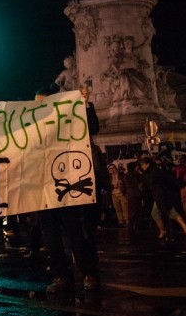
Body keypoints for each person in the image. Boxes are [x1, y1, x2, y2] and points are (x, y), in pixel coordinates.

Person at [35, 84, 101, 293]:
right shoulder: (31, 128)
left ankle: (89, 273)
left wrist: (84, 104)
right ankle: (61, 275)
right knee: (52, 236)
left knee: (76, 232)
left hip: (68, 186)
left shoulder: (69, 122)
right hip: (43, 188)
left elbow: (91, 127)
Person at [139, 155, 186, 240]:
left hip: (163, 195)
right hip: (157, 196)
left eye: (143, 164)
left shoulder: (156, 171)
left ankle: (182, 227)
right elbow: (146, 188)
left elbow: (170, 178)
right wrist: (144, 198)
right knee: (161, 212)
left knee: (170, 211)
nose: (142, 166)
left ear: (148, 164)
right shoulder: (145, 174)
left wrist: (182, 186)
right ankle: (163, 230)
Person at [107, 163, 128, 228]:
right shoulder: (109, 177)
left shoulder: (121, 175)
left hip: (121, 193)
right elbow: (108, 186)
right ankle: (120, 221)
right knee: (117, 209)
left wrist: (121, 184)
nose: (111, 170)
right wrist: (113, 186)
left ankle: (127, 220)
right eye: (109, 168)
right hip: (114, 194)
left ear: (115, 168)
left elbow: (125, 183)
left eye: (112, 168)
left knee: (125, 208)